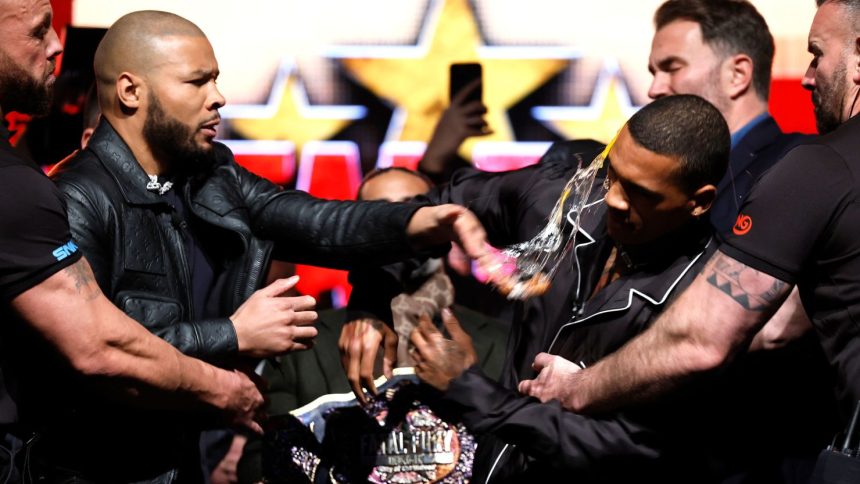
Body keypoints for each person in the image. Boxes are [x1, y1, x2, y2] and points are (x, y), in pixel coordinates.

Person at [48, 10, 492, 483]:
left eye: (215, 80)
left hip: (181, 464)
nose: (217, 97)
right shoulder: (77, 200)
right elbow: (96, 356)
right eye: (196, 82)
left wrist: (427, 218)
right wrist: (234, 333)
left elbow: (320, 221)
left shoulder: (211, 176)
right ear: (130, 91)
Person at [520, 2, 860, 479]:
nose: (655, 87)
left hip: (749, 458)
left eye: (671, 67)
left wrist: (580, 381)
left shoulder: (807, 168)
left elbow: (737, 331)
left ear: (738, 73)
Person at [0, 0, 268, 479]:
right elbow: (101, 346)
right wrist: (226, 385)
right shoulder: (21, 190)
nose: (58, 45)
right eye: (39, 31)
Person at [406, 94, 726, 482]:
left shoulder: (706, 304)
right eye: (613, 172)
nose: (613, 199)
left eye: (642, 193)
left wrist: (472, 390)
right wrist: (375, 296)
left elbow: (634, 449)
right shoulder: (564, 200)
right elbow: (427, 207)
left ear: (699, 202)